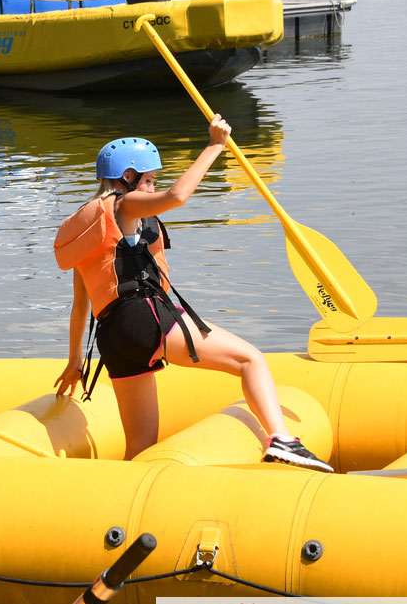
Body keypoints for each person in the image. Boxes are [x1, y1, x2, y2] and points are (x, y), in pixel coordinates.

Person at [53, 115, 331, 472]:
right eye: (149, 180)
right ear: (128, 178)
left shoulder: (86, 227)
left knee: (140, 447)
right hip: (144, 317)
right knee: (251, 360)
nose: (151, 189)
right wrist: (215, 144)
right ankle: (282, 440)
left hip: (113, 338)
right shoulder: (125, 205)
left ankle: (123, 505)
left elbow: (81, 305)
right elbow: (178, 196)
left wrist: (76, 363)